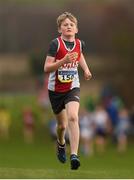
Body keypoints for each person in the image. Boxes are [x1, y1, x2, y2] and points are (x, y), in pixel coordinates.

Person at [44, 12, 92, 170]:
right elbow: (47, 68)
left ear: (76, 29)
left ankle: (74, 155)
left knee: (73, 117)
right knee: (62, 126)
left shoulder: (80, 44)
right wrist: (63, 61)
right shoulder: (55, 45)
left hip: (72, 86)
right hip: (56, 90)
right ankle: (61, 143)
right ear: (60, 29)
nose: (69, 26)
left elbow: (80, 56)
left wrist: (85, 69)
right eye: (65, 25)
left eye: (71, 24)